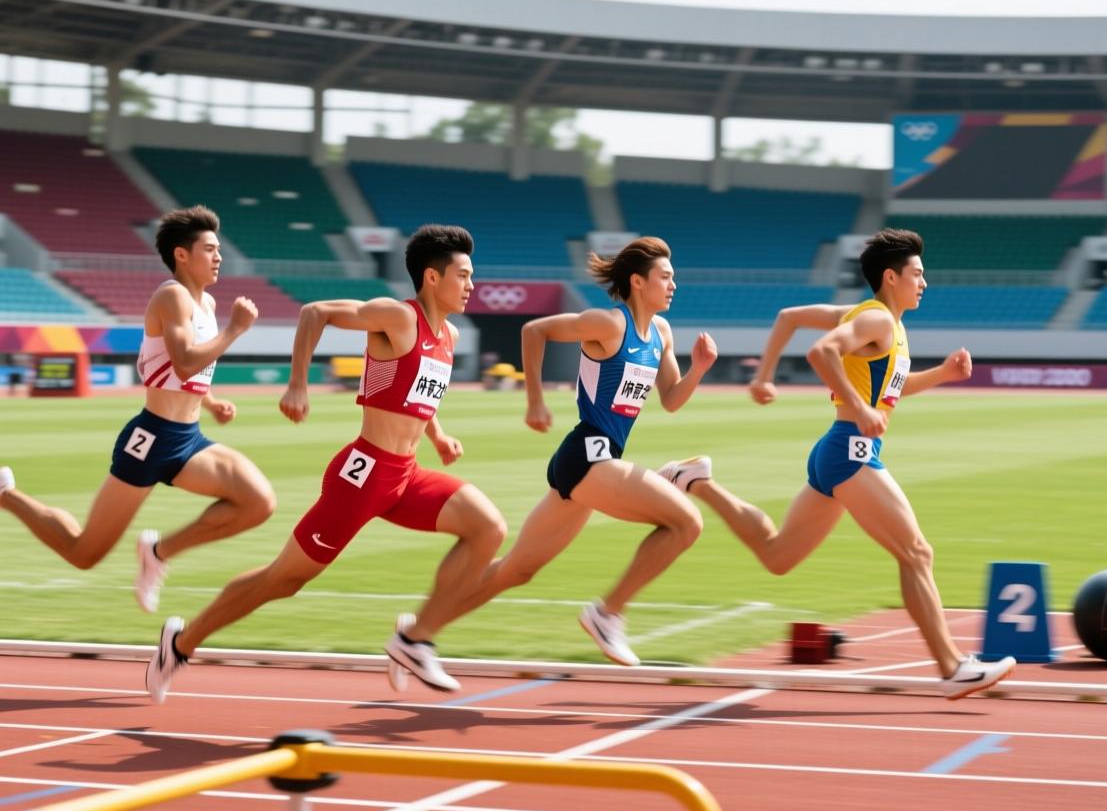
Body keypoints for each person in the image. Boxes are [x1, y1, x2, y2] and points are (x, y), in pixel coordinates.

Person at [144, 223, 506, 702]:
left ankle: (415, 638)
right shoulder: (397, 316)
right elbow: (315, 312)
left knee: (487, 528)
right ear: (432, 277)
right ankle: (181, 643)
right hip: (364, 474)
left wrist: (437, 435)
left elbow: (419, 389)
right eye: (463, 275)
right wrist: (297, 384)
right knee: (283, 579)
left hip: (406, 474)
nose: (472, 285)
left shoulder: (450, 335)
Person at [657, 227, 1016, 700]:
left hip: (839, 451)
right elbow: (820, 351)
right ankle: (952, 667)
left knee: (778, 556)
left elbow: (793, 321)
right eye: (917, 274)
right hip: (850, 452)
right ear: (891, 277)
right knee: (916, 553)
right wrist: (859, 407)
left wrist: (943, 374)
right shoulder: (876, 319)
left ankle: (697, 481)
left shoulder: (881, 322)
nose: (924, 282)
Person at [410, 236, 718, 667]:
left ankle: (416, 633)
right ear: (637, 281)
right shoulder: (608, 324)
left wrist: (699, 369)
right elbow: (534, 330)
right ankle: (608, 613)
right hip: (589, 454)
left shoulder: (661, 333)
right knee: (686, 523)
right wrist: (534, 401)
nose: (673, 285)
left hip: (594, 464)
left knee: (515, 570)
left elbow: (671, 400)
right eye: (665, 277)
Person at [0, 205, 275, 615]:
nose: (219, 257)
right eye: (210, 249)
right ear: (182, 254)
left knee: (258, 502)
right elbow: (184, 361)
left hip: (188, 440)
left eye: (219, 249)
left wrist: (211, 401)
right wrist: (235, 329)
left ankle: (158, 552)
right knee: (83, 552)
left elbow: (170, 367)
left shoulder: (207, 304)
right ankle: (6, 495)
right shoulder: (171, 296)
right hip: (151, 440)